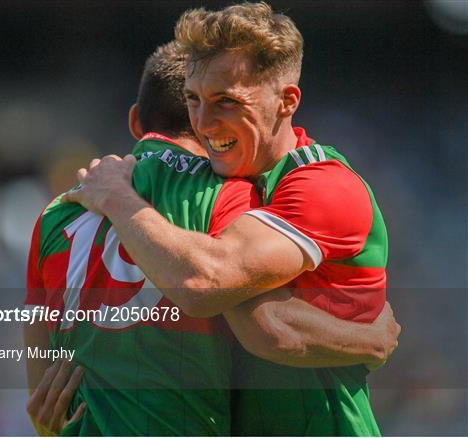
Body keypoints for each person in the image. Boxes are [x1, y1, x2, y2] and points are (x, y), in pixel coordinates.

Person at [62, 3, 393, 436]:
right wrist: (68, 411)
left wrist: (118, 198)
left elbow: (204, 286)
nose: (202, 122)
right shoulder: (216, 191)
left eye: (227, 102)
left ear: (286, 101)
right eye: (193, 99)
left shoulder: (321, 185)